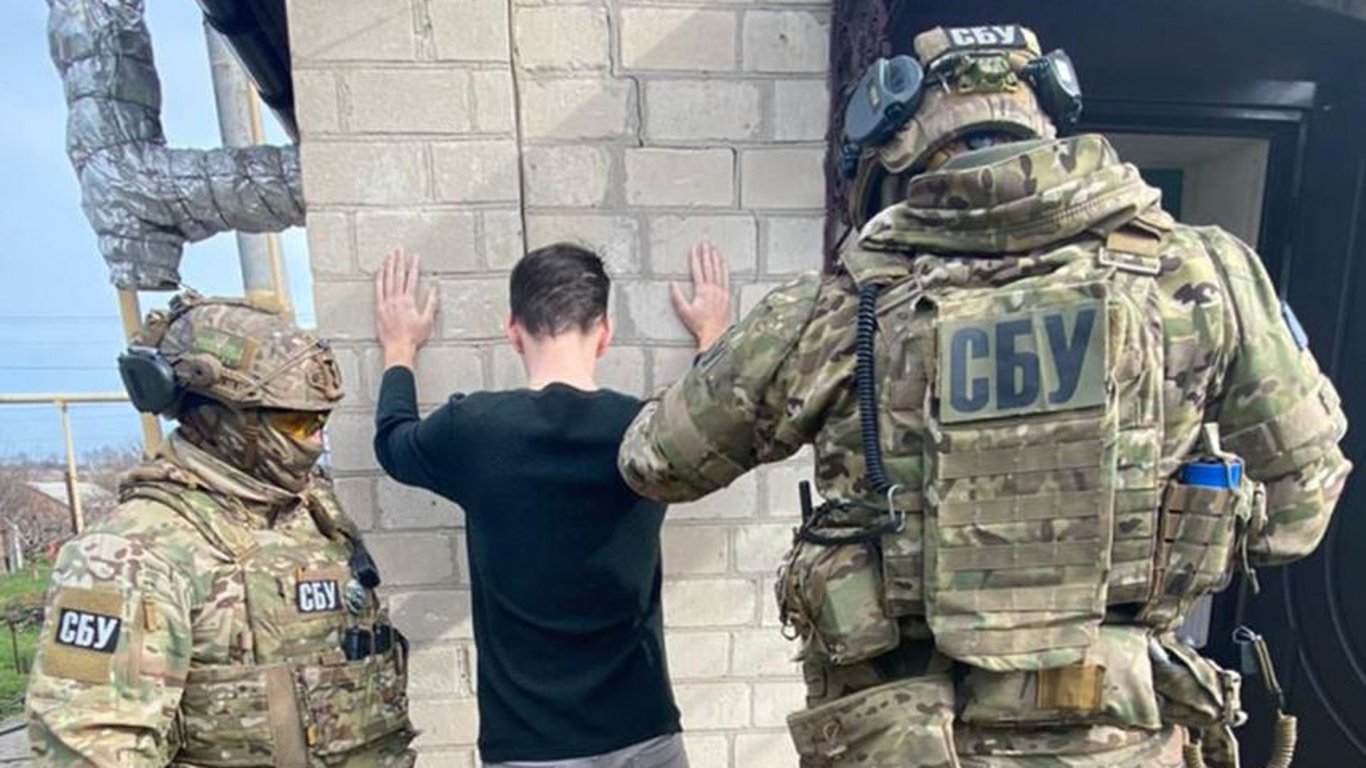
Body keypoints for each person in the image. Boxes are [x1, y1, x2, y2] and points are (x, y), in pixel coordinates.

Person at [617, 24, 1352, 768]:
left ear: (896, 151)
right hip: (1122, 734)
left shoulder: (834, 310)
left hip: (903, 741)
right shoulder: (1206, 275)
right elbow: (1299, 511)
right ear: (1045, 124)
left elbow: (655, 461)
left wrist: (721, 357)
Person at [371, 243, 730, 767]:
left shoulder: (472, 431)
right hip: (643, 734)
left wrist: (400, 346)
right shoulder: (647, 432)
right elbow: (717, 426)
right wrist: (713, 334)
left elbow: (392, 442)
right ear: (605, 334)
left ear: (513, 331)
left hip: (530, 748)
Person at [26, 291, 415, 767]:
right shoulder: (129, 555)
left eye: (321, 420)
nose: (316, 438)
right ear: (219, 417)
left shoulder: (311, 510)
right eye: (296, 422)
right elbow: (88, 749)